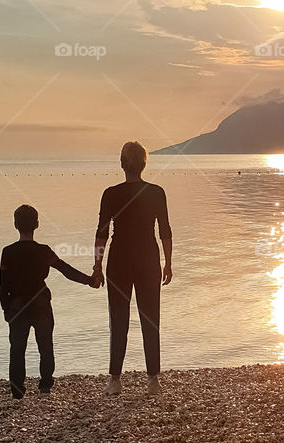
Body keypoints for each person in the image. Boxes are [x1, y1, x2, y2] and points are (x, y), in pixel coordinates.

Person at [92, 141, 173, 396]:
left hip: (119, 259)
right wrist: (168, 262)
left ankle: (115, 380)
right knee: (151, 318)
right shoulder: (156, 192)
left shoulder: (111, 193)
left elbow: (102, 233)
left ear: (122, 164)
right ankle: (153, 380)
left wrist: (97, 265)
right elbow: (165, 231)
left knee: (118, 319)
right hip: (149, 257)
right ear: (144, 164)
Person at [0, 204, 95, 399]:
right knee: (45, 344)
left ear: (15, 224)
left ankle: (17, 390)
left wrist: (5, 309)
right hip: (40, 302)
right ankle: (45, 387)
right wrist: (90, 280)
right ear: (37, 224)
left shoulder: (8, 251)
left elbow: (3, 284)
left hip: (17, 304)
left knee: (17, 348)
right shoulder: (43, 251)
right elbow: (66, 270)